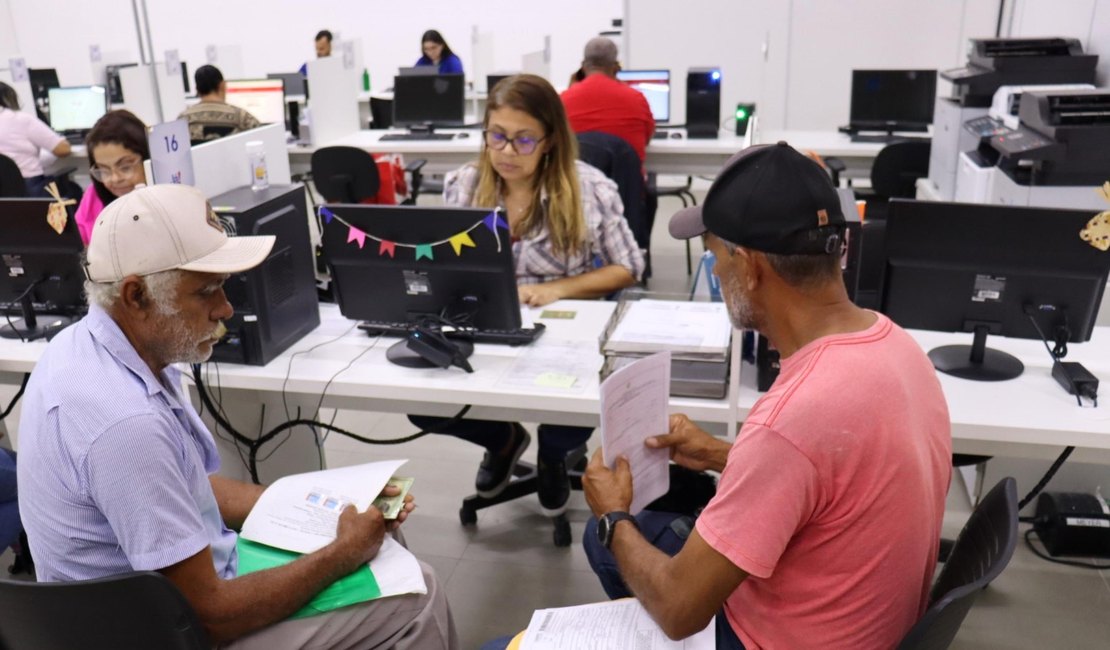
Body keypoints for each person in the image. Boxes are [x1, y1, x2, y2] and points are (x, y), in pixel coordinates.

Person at [16, 184, 458, 649]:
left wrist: (323, 506)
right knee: (417, 592)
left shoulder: (91, 346)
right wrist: (343, 552)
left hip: (129, 614)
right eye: (206, 290)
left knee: (384, 548)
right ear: (136, 295)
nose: (225, 307)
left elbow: (183, 486)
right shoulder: (126, 423)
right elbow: (208, 617)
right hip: (161, 633)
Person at [579, 143, 952, 648]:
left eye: (714, 254)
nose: (714, 270)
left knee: (611, 540)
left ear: (750, 267)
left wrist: (612, 516)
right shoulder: (897, 346)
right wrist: (716, 453)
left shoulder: (792, 416)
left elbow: (679, 610)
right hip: (859, 624)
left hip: (769, 639)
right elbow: (833, 473)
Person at [411, 74, 644, 516]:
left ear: (550, 140)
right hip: (482, 325)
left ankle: (554, 455)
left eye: (523, 140)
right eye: (496, 137)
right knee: (418, 398)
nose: (505, 152)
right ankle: (503, 439)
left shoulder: (590, 188)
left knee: (571, 406)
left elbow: (629, 266)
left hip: (561, 334)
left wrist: (558, 288)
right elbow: (441, 261)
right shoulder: (464, 183)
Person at [560, 37, 654, 166]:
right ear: (616, 67)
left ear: (582, 66)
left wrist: (571, 89)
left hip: (581, 185)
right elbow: (646, 139)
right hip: (626, 184)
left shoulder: (563, 101)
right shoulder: (637, 99)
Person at [74, 109, 148, 245]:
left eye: (125, 167)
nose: (115, 178)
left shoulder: (169, 198)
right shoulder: (93, 197)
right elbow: (79, 244)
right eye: (104, 170)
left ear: (147, 159)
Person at [0, 81, 72, 197]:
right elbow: (63, 149)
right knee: (74, 189)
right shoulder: (20, 119)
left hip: (5, 198)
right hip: (29, 189)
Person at [178, 65, 262, 144]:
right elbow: (262, 139)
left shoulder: (182, 120)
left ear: (197, 89)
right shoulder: (242, 117)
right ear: (222, 85)